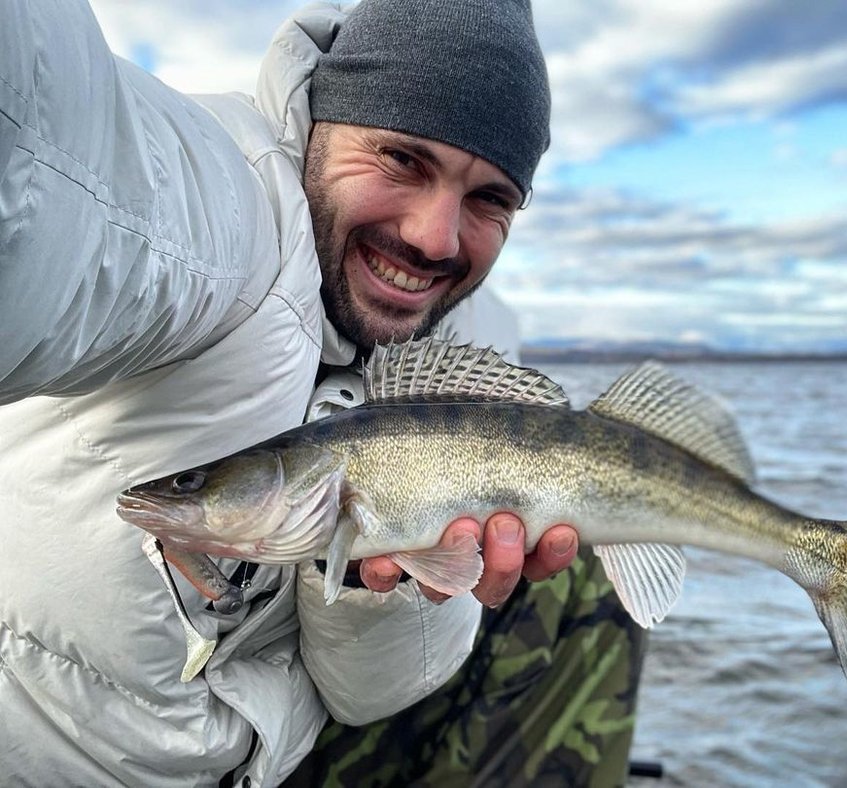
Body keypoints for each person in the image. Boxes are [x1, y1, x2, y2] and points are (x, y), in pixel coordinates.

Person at [0, 1, 645, 786]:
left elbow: (364, 695)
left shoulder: (469, 333)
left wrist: (386, 577)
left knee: (576, 581)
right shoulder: (225, 210)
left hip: (269, 758)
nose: (435, 238)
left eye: (490, 199)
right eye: (402, 159)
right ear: (321, 127)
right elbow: (59, 169)